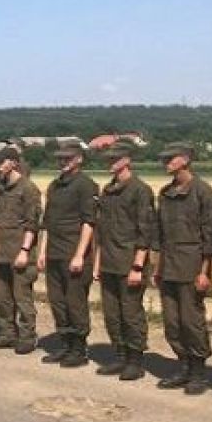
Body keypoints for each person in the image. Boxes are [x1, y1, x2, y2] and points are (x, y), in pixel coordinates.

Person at [154, 142, 212, 395]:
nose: (165, 163)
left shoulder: (203, 192)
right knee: (172, 321)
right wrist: (158, 267)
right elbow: (160, 235)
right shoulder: (165, 193)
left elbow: (210, 236)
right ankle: (182, 366)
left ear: (185, 159)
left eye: (170, 158)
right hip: (169, 264)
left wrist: (205, 271)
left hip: (192, 265)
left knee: (191, 321)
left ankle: (198, 371)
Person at [93, 141, 156, 381]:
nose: (110, 163)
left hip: (129, 263)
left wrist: (138, 265)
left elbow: (145, 231)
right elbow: (102, 231)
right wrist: (98, 262)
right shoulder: (107, 191)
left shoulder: (140, 190)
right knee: (112, 314)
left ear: (127, 161)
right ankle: (119, 356)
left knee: (131, 314)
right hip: (109, 261)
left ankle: (135, 361)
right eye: (108, 160)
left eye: (115, 159)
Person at [38, 142, 99, 368]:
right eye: (60, 158)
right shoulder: (55, 186)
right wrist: (42, 251)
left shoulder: (85, 186)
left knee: (75, 303)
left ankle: (78, 349)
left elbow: (88, 222)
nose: (62, 162)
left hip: (73, 253)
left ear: (79, 159)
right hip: (54, 252)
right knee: (58, 303)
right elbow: (47, 223)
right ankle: (64, 345)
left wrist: (80, 255)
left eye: (67, 158)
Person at [0, 148, 42, 355]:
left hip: (20, 253)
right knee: (2, 297)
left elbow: (31, 225)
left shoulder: (28, 189)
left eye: (2, 162)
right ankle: (8, 333)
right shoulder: (0, 188)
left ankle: (27, 336)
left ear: (14, 163)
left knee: (22, 298)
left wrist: (25, 250)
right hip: (1, 252)